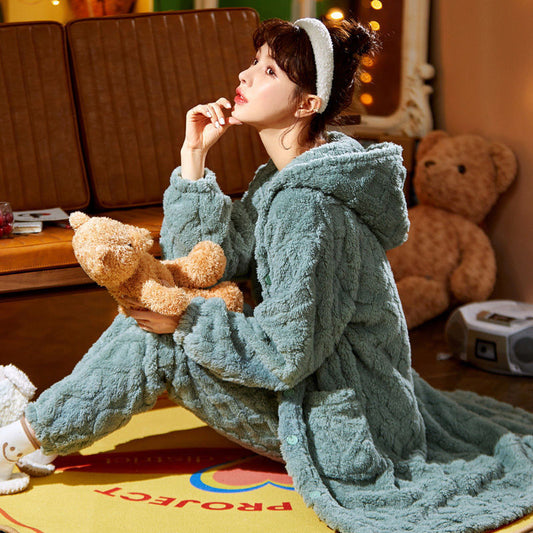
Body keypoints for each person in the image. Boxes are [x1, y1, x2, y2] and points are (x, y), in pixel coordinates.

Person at [1, 16, 532, 533]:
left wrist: (184, 321)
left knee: (157, 337)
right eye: (254, 62)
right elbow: (203, 262)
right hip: (320, 388)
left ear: (307, 105)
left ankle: (16, 441)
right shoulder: (281, 182)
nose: (246, 75)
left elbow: (285, 354)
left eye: (270, 71)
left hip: (339, 420)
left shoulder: (310, 208)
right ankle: (33, 432)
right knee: (160, 312)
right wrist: (193, 159)